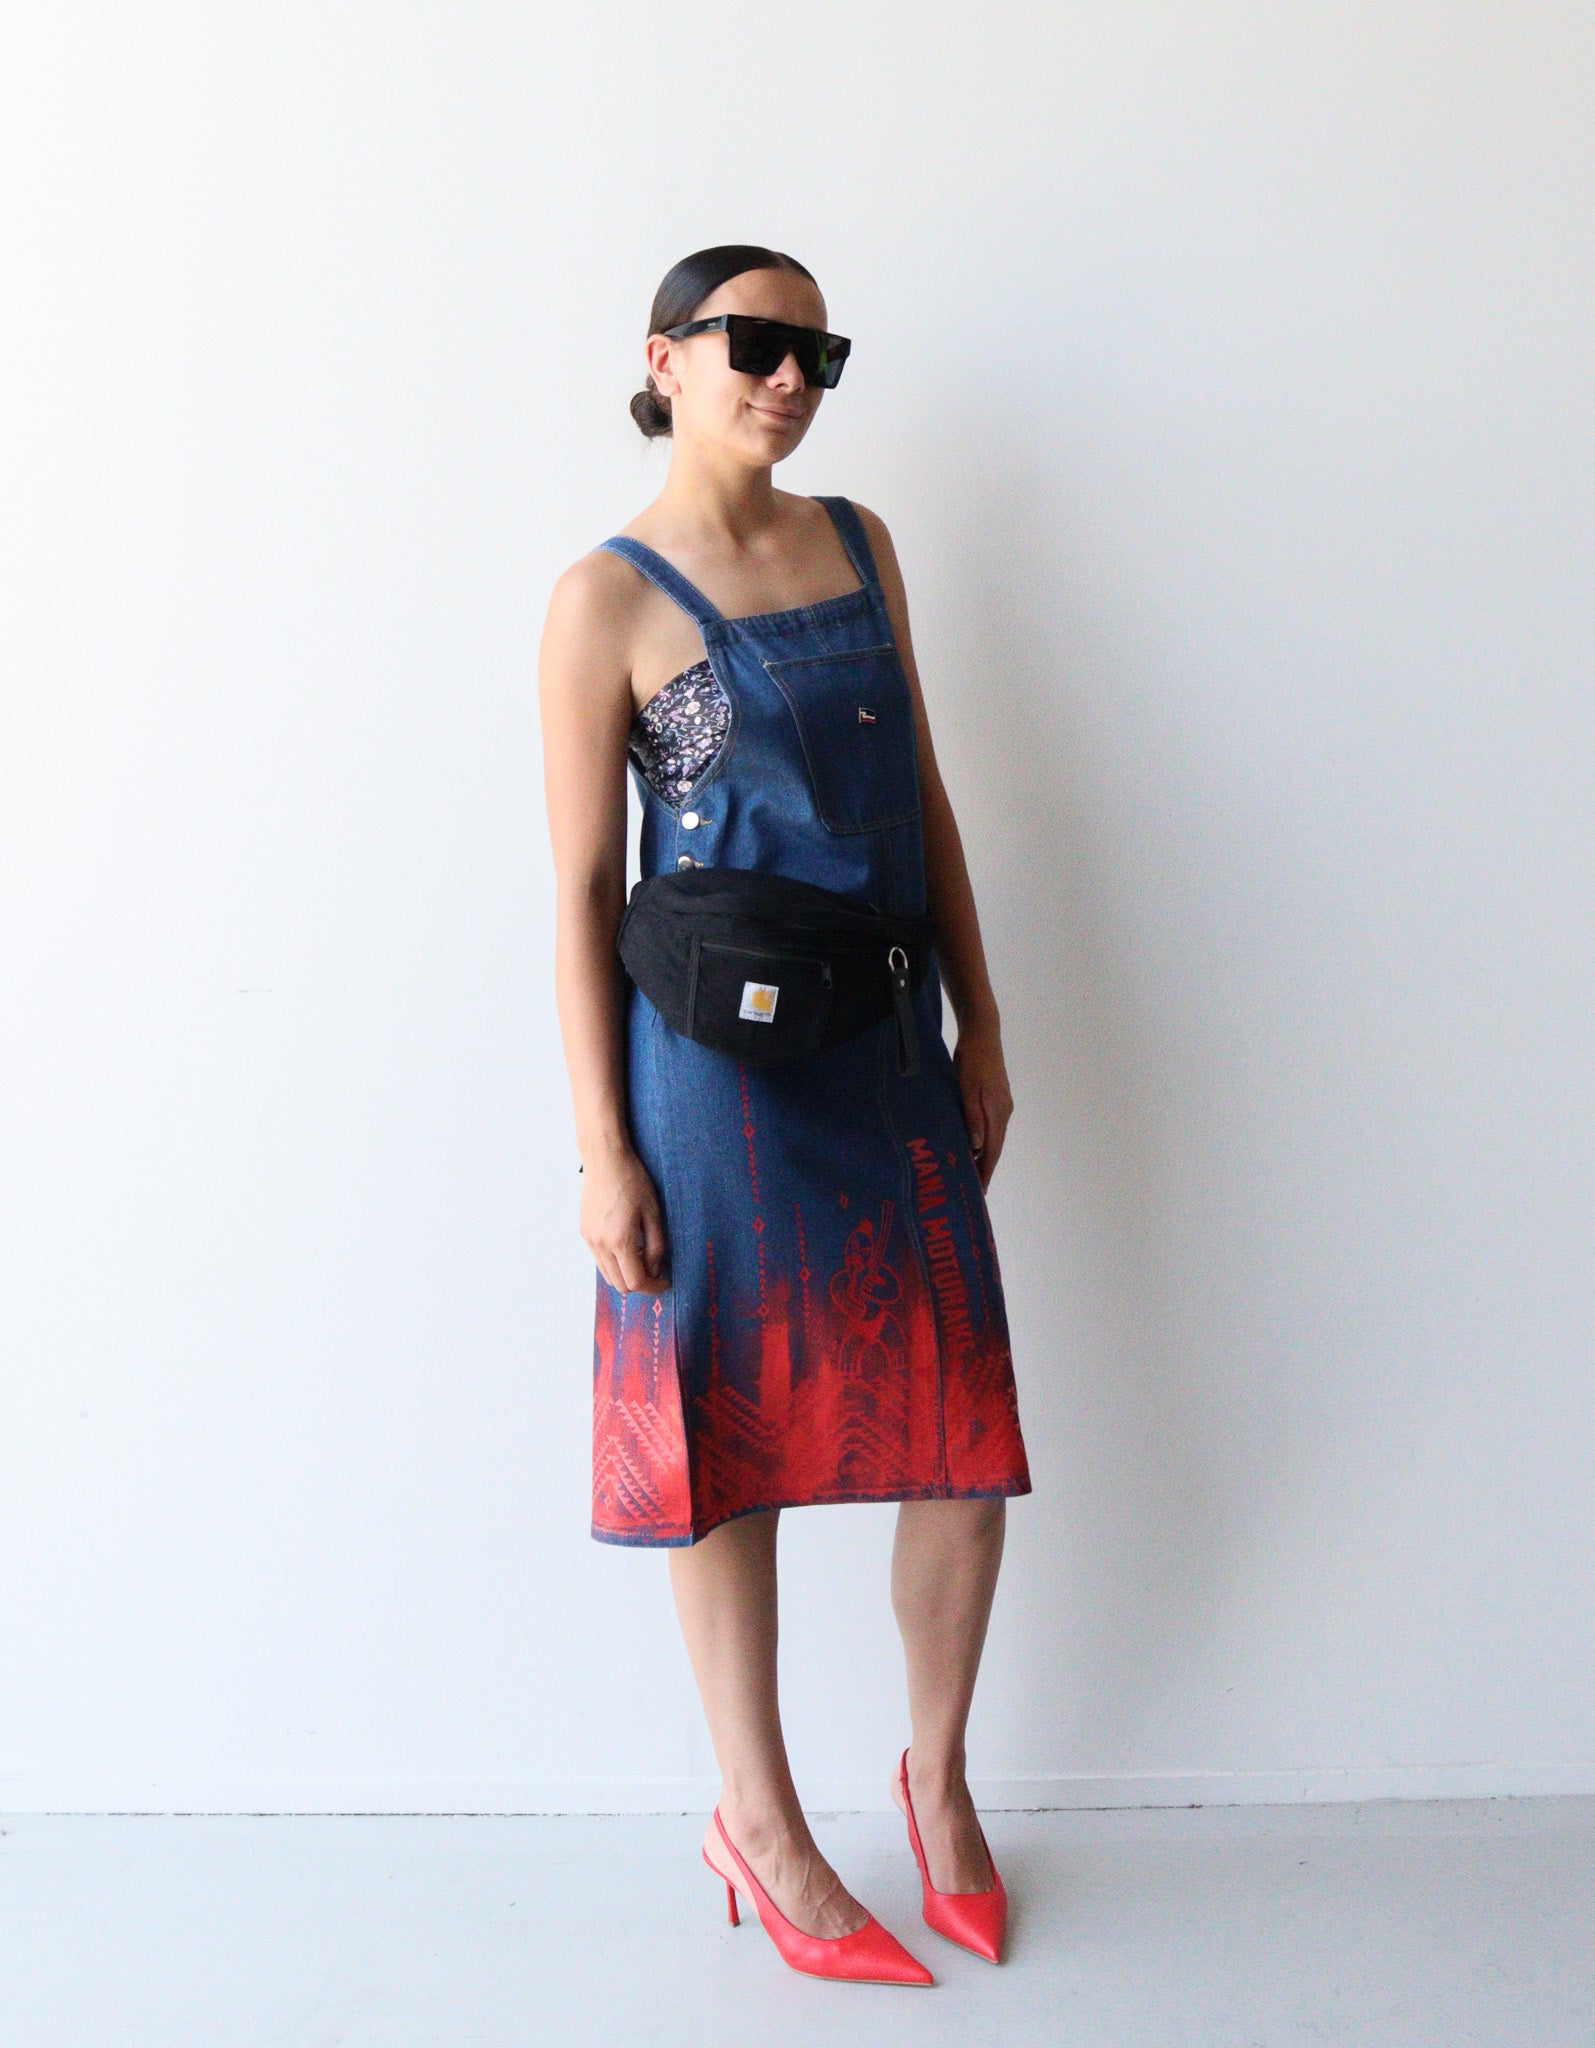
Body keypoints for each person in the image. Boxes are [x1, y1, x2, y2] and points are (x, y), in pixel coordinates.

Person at [536, 244, 1032, 1984]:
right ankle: (757, 1821)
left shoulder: (860, 540)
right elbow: (581, 891)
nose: (789, 378)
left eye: (817, 351)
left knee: (958, 1431)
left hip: (884, 1041)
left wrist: (980, 1020)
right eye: (754, 342)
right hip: (709, 1074)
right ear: (663, 357)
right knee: (723, 1433)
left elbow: (924, 799)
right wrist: (604, 1150)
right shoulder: (602, 599)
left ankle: (938, 1783)